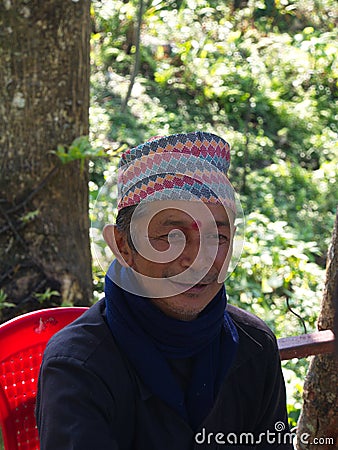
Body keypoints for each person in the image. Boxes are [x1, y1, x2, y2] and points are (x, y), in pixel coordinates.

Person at [36, 131, 293, 449]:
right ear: (123, 246)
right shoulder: (79, 367)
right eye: (171, 236)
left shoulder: (254, 347)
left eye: (217, 238)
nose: (199, 261)